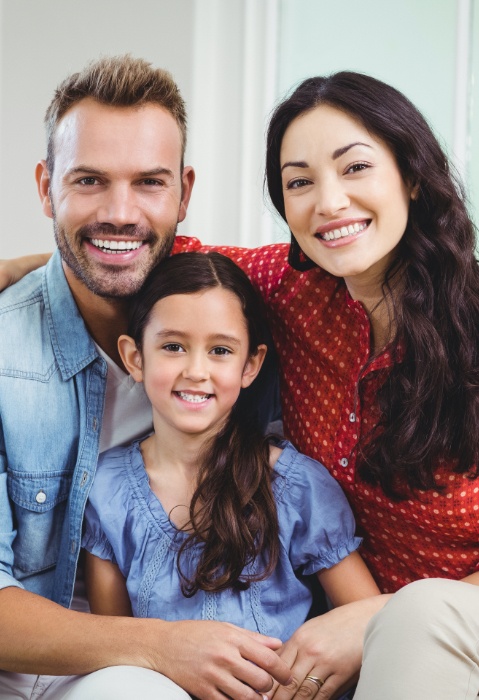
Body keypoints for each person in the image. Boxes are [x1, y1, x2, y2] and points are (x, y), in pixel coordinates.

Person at [6, 66, 479, 697]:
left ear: (413, 176)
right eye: (299, 182)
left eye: (356, 167)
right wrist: (27, 270)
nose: (329, 202)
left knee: (418, 617)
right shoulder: (294, 293)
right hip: (340, 644)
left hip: (438, 623)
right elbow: (134, 253)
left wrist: (375, 616)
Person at [0, 55, 297, 700]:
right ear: (46, 187)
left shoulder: (242, 322)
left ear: (184, 193)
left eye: (149, 183)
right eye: (89, 181)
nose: (120, 212)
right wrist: (162, 646)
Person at [81, 250, 380, 700]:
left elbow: (368, 624)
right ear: (134, 357)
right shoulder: (105, 490)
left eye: (220, 350)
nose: (196, 371)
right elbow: (115, 654)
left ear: (250, 365)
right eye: (172, 346)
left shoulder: (296, 487)